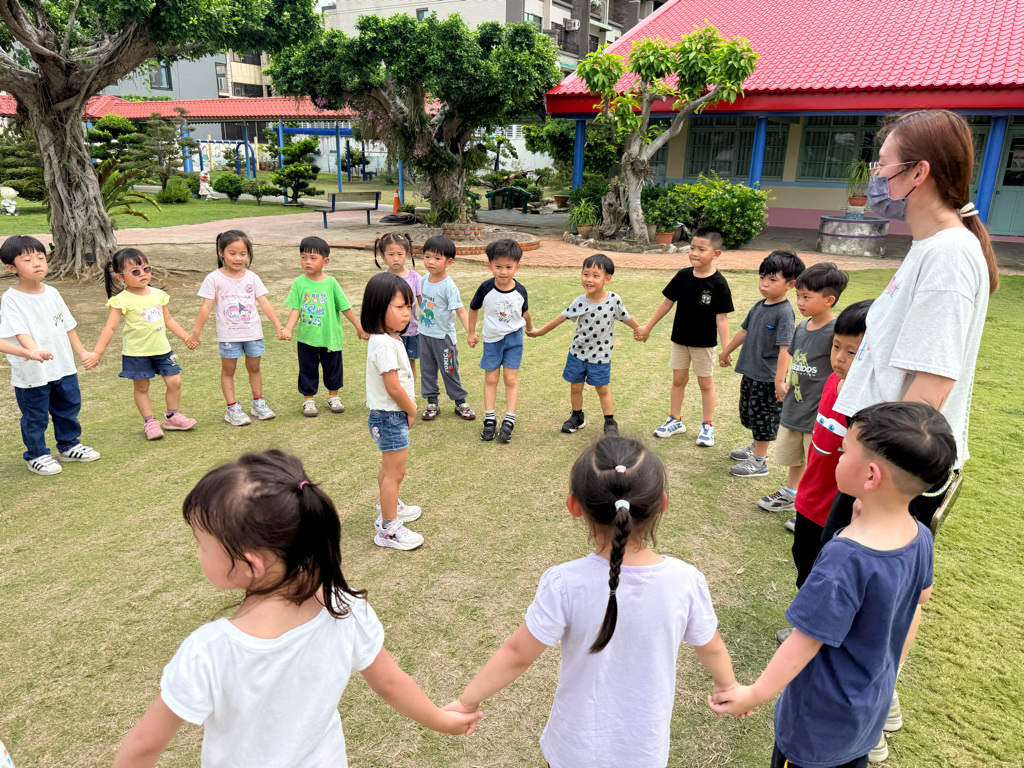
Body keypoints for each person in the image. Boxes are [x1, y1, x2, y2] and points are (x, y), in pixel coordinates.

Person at [111, 450, 481, 768]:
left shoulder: (209, 650)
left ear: (250, 564)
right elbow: (390, 682)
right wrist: (440, 720)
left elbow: (144, 746)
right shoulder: (345, 609)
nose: (197, 553)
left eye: (201, 543)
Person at [824, 108, 1000, 761]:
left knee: (884, 597)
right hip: (877, 458)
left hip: (896, 468)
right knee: (870, 591)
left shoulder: (950, 256)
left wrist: (880, 481)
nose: (876, 176)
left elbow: (931, 387)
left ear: (918, 172)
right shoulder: (932, 247)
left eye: (884, 164)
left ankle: (870, 716)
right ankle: (873, 694)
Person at [444, 436, 742, 768]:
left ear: (573, 506)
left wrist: (466, 702)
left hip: (574, 749)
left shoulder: (564, 583)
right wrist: (727, 685)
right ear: (662, 504)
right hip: (645, 751)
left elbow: (517, 654)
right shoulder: (686, 581)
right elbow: (711, 646)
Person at [709, 402, 956, 768]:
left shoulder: (845, 558)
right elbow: (921, 596)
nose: (837, 457)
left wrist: (755, 693)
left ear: (871, 476)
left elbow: (804, 641)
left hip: (818, 725)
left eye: (843, 451)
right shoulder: (919, 535)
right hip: (867, 708)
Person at [775, 301, 872, 644]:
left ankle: (816, 633)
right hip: (809, 498)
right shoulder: (832, 381)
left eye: (852, 351)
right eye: (836, 346)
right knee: (803, 560)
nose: (840, 358)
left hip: (836, 510)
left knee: (828, 574)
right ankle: (810, 622)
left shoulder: (868, 404)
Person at [0, 235, 100, 475]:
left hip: (63, 367)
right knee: (35, 416)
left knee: (68, 407)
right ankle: (37, 455)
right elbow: (20, 331)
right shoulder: (11, 299)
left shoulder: (53, 292)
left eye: (41, 258)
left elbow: (68, 326)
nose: (37, 263)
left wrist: (82, 352)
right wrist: (33, 351)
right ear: (12, 268)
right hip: (32, 371)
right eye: (27, 260)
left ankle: (69, 445)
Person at [758, 263, 849, 512]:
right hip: (796, 403)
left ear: (829, 300)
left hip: (819, 410)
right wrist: (785, 382)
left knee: (816, 460)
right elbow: (797, 359)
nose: (799, 302)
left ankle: (810, 505)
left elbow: (839, 370)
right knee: (795, 454)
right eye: (798, 295)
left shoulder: (835, 332)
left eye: (806, 297)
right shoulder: (801, 327)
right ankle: (791, 493)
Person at [637, 225, 734, 447]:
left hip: (704, 344)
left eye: (701, 249)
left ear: (716, 254)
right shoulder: (682, 276)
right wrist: (647, 327)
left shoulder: (719, 284)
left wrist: (726, 349)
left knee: (705, 384)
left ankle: (707, 425)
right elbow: (667, 304)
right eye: (692, 248)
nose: (694, 253)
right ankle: (675, 420)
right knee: (678, 380)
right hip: (680, 340)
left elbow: (722, 319)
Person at [527, 253, 641, 435]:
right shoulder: (580, 301)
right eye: (586, 274)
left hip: (601, 356)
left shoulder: (614, 300)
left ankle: (610, 421)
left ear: (607, 279)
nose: (589, 279)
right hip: (577, 353)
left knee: (602, 388)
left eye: (595, 276)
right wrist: (540, 332)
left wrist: (640, 329)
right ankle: (577, 416)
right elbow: (560, 318)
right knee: (576, 386)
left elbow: (625, 317)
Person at [91, 248, 197, 441]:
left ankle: (172, 416)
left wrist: (186, 337)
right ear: (120, 277)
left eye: (146, 269)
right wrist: (97, 353)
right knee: (141, 387)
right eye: (135, 271)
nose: (143, 274)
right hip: (136, 352)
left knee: (175, 381)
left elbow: (169, 320)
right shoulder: (121, 300)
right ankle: (149, 421)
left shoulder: (158, 294)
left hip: (162, 349)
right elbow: (110, 327)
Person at [187, 230, 287, 426]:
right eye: (232, 253)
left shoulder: (252, 277)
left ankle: (258, 403)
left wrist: (279, 326)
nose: (238, 258)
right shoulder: (213, 278)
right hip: (229, 336)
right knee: (228, 370)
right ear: (221, 252)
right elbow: (206, 307)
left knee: (254, 368)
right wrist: (195, 333)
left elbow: (264, 303)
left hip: (253, 333)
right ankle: (232, 408)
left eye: (243, 254)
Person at [719, 251, 805, 477]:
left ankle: (760, 461)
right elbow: (744, 331)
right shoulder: (760, 305)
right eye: (762, 277)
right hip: (751, 372)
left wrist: (779, 382)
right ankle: (756, 448)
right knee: (751, 414)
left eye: (772, 279)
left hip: (768, 378)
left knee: (764, 418)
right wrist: (726, 351)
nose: (764, 284)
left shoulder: (784, 312)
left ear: (790, 284)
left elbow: (785, 349)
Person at [362, 272, 424, 551]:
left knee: (389, 469)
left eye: (409, 307)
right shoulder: (384, 343)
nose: (407, 313)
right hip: (390, 415)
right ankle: (388, 528)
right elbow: (393, 387)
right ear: (378, 308)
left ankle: (390, 506)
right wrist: (411, 410)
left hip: (387, 415)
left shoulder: (388, 338)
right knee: (395, 473)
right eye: (400, 307)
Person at [283, 236, 369, 418]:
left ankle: (333, 397)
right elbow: (296, 309)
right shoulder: (299, 283)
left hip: (330, 337)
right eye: (304, 257)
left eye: (313, 258)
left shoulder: (331, 283)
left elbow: (345, 307)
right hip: (306, 338)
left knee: (333, 368)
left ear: (325, 261)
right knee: (307, 368)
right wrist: (288, 329)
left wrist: (359, 327)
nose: (307, 261)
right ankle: (308, 400)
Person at [468, 239, 534, 443]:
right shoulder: (485, 288)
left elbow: (524, 312)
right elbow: (473, 308)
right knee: (491, 378)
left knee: (511, 379)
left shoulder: (520, 291)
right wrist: (471, 332)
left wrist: (530, 328)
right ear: (490, 266)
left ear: (517, 267)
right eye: (498, 266)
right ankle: (490, 419)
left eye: (508, 267)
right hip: (492, 339)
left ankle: (509, 420)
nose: (503, 272)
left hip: (514, 339)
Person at [417, 235, 476, 421]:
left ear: (449, 262)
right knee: (427, 370)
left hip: (444, 338)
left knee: (449, 370)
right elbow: (422, 301)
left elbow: (461, 311)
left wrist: (471, 332)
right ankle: (432, 403)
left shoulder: (449, 287)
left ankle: (460, 402)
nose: (430, 262)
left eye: (437, 258)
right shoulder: (424, 279)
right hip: (424, 335)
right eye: (427, 256)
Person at [374, 233, 421, 390]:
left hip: (411, 329)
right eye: (391, 254)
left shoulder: (415, 277)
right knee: (391, 363)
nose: (396, 259)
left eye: (400, 254)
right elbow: (378, 306)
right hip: (388, 332)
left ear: (407, 255)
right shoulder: (382, 279)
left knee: (409, 362)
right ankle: (393, 391)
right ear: (383, 256)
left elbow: (423, 304)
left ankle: (410, 392)